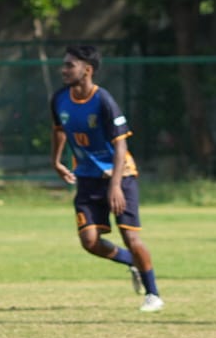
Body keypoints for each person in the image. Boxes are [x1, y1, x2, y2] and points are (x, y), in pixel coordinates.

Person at [50, 44, 164, 312]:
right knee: (89, 241)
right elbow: (58, 129)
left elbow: (121, 143)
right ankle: (130, 262)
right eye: (64, 64)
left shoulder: (103, 101)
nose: (63, 69)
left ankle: (153, 294)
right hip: (87, 178)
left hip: (120, 176)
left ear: (87, 70)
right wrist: (55, 160)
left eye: (70, 65)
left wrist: (115, 186)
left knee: (131, 238)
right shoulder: (59, 98)